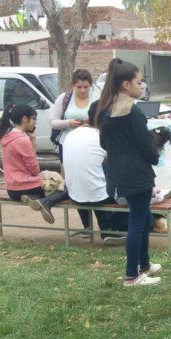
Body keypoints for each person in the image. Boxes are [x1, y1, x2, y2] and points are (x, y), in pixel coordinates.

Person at [95, 59, 162, 287]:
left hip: (117, 172)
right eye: (139, 82)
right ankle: (131, 275)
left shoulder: (106, 110)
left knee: (144, 219)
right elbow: (146, 146)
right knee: (137, 223)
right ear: (126, 84)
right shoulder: (133, 112)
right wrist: (155, 155)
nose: (141, 86)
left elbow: (104, 143)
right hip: (136, 174)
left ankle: (144, 265)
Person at [62, 101, 127, 245]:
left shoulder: (72, 134)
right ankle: (114, 229)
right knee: (127, 188)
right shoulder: (103, 137)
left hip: (74, 194)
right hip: (98, 196)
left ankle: (106, 228)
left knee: (95, 175)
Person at [0, 104, 68, 224]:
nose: (35, 123)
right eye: (34, 119)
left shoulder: (6, 137)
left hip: (11, 188)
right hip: (25, 185)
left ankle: (34, 198)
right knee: (67, 188)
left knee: (49, 182)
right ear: (25, 119)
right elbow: (34, 170)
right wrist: (33, 141)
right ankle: (46, 202)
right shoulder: (22, 140)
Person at [50, 68, 97, 234]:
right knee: (75, 182)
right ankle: (86, 225)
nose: (83, 90)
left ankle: (104, 223)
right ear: (73, 86)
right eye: (79, 87)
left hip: (92, 145)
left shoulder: (97, 98)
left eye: (86, 87)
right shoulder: (64, 99)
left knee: (94, 180)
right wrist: (68, 122)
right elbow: (53, 121)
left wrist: (93, 121)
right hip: (68, 145)